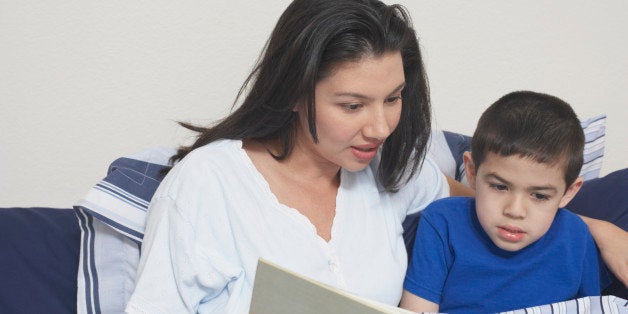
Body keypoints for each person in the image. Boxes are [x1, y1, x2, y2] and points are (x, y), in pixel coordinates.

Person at [125, 1, 628, 313]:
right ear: (295, 94)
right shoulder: (208, 185)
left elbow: (487, 198)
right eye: (352, 105)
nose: (382, 127)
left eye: (394, 98)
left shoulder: (392, 171)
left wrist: (597, 231)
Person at [400, 91, 607, 313]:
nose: (515, 211)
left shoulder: (577, 236)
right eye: (499, 187)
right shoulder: (443, 221)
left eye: (539, 196)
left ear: (569, 192)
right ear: (471, 171)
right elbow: (417, 309)